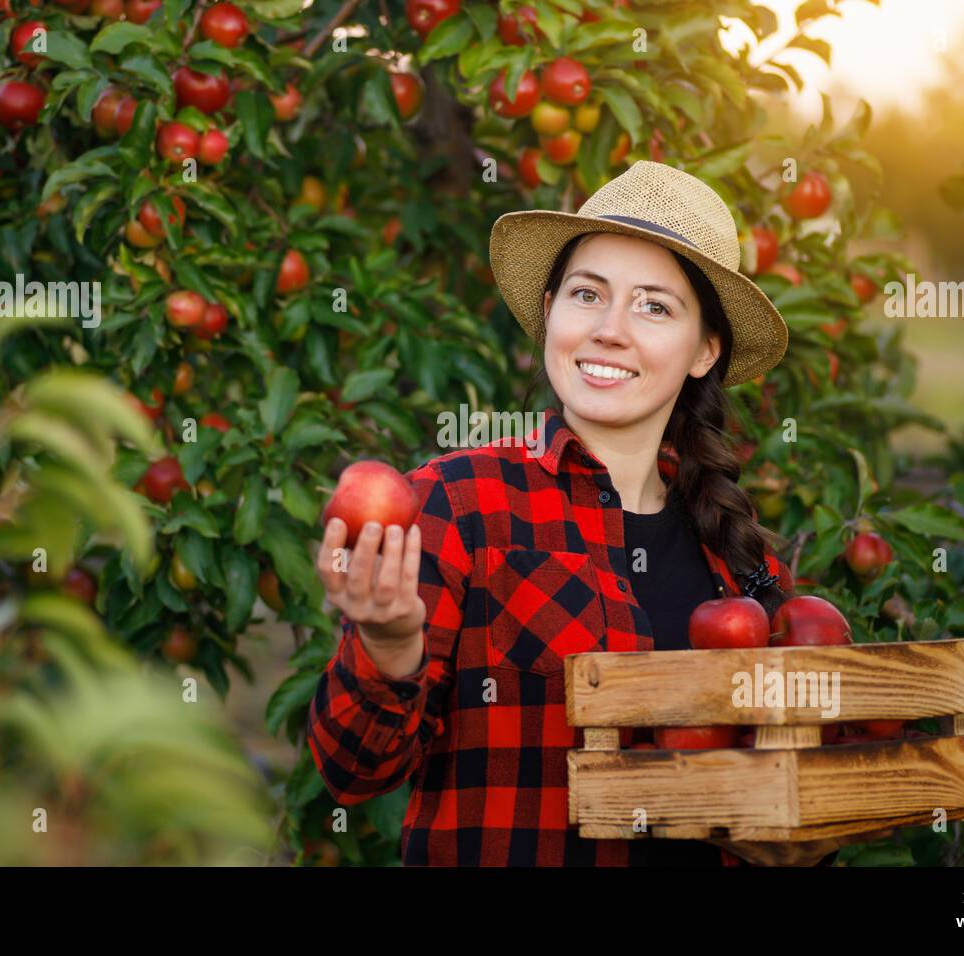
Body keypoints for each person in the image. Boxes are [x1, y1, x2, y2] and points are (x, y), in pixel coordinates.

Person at [308, 160, 843, 866]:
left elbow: (775, 795)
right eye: (588, 295)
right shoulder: (458, 504)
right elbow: (352, 772)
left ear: (704, 351)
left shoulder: (741, 562)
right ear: (552, 311)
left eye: (655, 306)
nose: (610, 330)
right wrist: (387, 645)